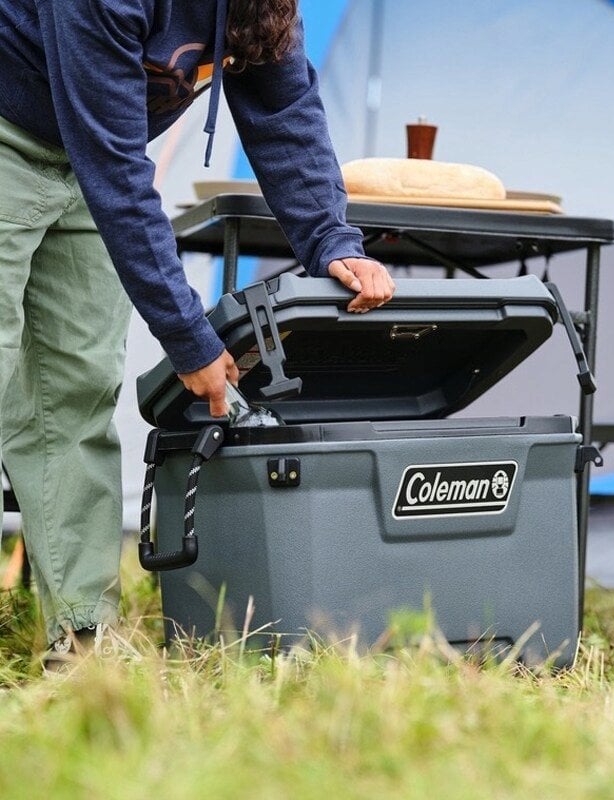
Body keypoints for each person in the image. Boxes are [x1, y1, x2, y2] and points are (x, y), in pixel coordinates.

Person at [0, 0, 395, 660]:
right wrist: (188, 337)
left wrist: (331, 239)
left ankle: (83, 640)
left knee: (76, 392)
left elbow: (285, 113)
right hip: (17, 136)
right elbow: (115, 165)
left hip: (90, 166)